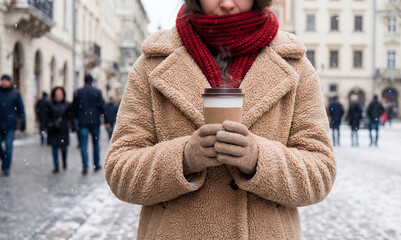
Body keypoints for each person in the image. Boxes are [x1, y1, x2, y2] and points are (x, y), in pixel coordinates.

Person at [104, 0, 336, 239]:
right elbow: (120, 171)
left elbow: (321, 173)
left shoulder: (295, 64)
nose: (226, 4)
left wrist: (258, 159)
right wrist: (184, 158)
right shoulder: (151, 63)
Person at [73, 74, 105, 174]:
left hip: (83, 122)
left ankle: (85, 166)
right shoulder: (97, 92)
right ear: (92, 81)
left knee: (83, 145)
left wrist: (75, 120)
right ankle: (96, 164)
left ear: (84, 80)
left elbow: (74, 109)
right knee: (95, 144)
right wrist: (107, 120)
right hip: (95, 121)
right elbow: (102, 107)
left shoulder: (78, 92)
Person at [0, 74, 26, 176]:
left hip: (10, 124)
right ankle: (5, 160)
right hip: (0, 123)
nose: (4, 82)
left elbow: (21, 108)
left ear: (10, 82)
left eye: (6, 80)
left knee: (9, 145)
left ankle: (6, 167)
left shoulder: (15, 93)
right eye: (3, 80)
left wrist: (23, 120)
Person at [46, 87, 74, 173]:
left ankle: (64, 162)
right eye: (57, 93)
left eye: (60, 93)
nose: (58, 94)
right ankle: (56, 165)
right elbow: (46, 116)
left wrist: (73, 126)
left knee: (64, 148)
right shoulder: (50, 104)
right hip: (53, 129)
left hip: (63, 129)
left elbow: (70, 116)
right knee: (54, 148)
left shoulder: (67, 104)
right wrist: (46, 125)